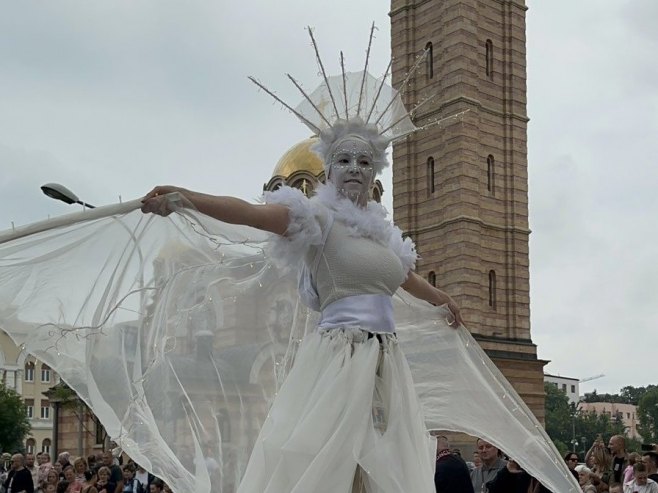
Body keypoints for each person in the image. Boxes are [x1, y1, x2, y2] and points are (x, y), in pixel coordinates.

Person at [141, 76, 463, 493]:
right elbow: (249, 214)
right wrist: (186, 196)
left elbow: (405, 278)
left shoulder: (383, 238)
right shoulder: (317, 219)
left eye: (364, 163)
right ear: (328, 169)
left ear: (375, 175)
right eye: (344, 160)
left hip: (386, 360)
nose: (354, 170)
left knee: (386, 465)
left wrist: (443, 299)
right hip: (340, 358)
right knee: (328, 462)